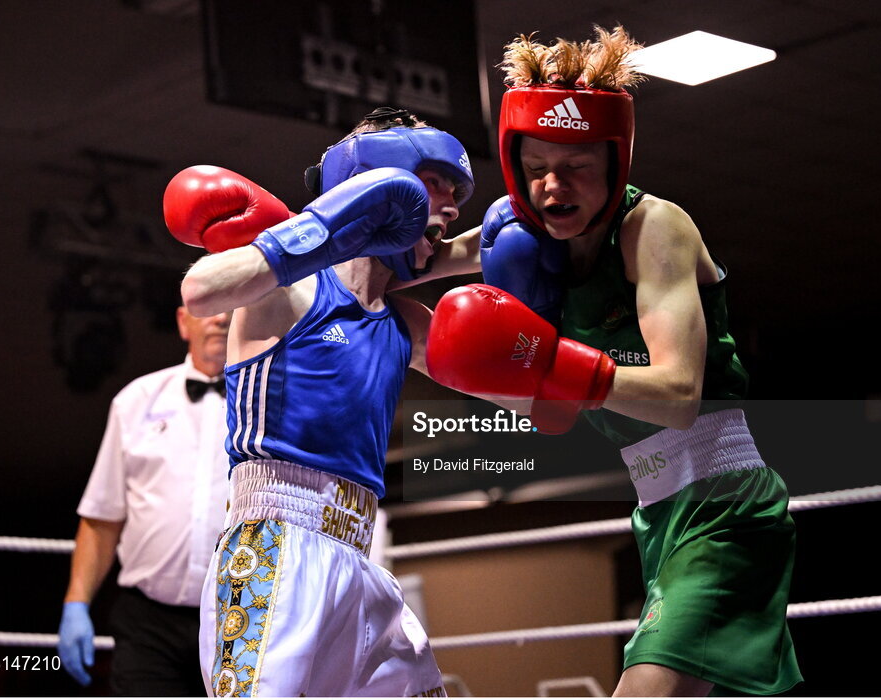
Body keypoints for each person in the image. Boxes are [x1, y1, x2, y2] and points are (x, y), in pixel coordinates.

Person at [425, 26, 802, 696]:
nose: (552, 186)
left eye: (574, 167)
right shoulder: (520, 239)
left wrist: (545, 358)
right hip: (656, 507)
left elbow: (679, 395)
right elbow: (402, 273)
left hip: (722, 504)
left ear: (613, 162)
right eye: (536, 166)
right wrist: (302, 253)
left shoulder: (654, 228)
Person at [168, 107, 479, 697]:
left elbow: (523, 396)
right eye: (436, 183)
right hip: (277, 544)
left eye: (456, 193)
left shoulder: (405, 322)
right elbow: (199, 289)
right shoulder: (292, 288)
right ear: (382, 182)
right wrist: (328, 228)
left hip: (361, 560)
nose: (453, 205)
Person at [57, 305, 232, 695]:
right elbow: (102, 517)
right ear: (183, 321)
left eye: (231, 308)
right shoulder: (135, 401)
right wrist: (76, 603)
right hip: (148, 624)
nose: (221, 319)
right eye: (209, 308)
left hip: (237, 616)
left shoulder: (268, 404)